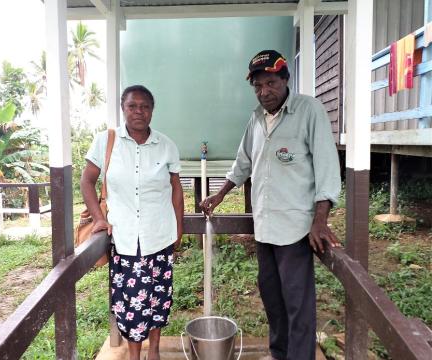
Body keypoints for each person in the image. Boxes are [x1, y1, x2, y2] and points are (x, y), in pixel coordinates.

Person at [200, 50, 341, 360]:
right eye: (258, 86)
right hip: (264, 228)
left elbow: (328, 168)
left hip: (295, 230)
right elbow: (243, 163)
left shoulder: (309, 111)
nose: (264, 92)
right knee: (273, 299)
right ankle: (279, 353)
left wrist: (320, 219)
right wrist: (220, 194)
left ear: (285, 79)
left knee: (297, 304)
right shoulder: (256, 119)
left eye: (271, 83)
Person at [81, 85, 184, 360]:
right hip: (125, 239)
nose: (139, 111)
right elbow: (87, 181)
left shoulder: (166, 145)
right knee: (131, 303)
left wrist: (179, 228)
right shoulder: (106, 140)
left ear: (152, 110)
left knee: (158, 298)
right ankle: (135, 355)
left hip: (160, 236)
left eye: (145, 106)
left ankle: (155, 352)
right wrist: (99, 218)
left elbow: (176, 189)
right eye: (132, 106)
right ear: (123, 108)